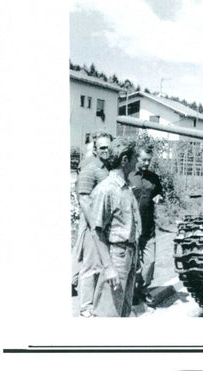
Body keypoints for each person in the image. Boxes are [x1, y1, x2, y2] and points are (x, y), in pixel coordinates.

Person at [90, 138, 142, 317]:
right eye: (135, 157)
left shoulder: (125, 187)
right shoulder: (106, 189)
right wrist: (109, 267)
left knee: (123, 312)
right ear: (125, 160)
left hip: (129, 254)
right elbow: (97, 232)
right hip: (116, 256)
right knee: (108, 315)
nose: (137, 161)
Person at [72, 131, 113, 317]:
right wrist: (95, 227)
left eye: (108, 147)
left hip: (105, 225)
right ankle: (85, 307)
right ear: (95, 150)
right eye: (102, 148)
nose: (106, 150)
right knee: (89, 267)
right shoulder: (90, 167)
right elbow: (84, 200)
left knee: (101, 265)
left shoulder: (107, 168)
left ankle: (96, 305)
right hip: (93, 226)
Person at [129, 145, 162, 305]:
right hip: (131, 228)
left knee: (150, 262)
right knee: (133, 264)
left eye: (149, 160)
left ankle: (143, 288)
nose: (147, 163)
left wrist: (159, 197)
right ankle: (133, 292)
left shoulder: (153, 177)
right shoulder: (127, 176)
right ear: (137, 158)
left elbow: (159, 193)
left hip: (148, 228)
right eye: (144, 160)